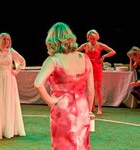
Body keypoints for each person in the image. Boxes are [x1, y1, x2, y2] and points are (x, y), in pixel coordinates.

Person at [34, 22, 95, 150]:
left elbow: (38, 84)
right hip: (82, 106)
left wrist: (51, 102)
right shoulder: (85, 58)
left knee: (63, 145)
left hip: (63, 108)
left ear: (52, 40)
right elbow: (90, 89)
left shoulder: (53, 60)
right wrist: (88, 110)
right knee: (82, 144)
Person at [0, 32, 26, 139]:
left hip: (10, 80)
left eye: (8, 40)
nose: (7, 41)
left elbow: (22, 61)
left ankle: (9, 129)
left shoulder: (11, 51)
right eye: (4, 39)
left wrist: (16, 71)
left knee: (9, 102)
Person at [77, 29, 116, 115]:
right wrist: (82, 57)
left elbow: (113, 52)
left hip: (97, 67)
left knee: (97, 88)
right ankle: (91, 107)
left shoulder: (100, 45)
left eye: (94, 38)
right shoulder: (85, 45)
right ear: (88, 38)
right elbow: (75, 52)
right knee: (89, 88)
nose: (92, 40)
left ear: (97, 37)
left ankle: (99, 108)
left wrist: (104, 56)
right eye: (90, 38)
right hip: (87, 68)